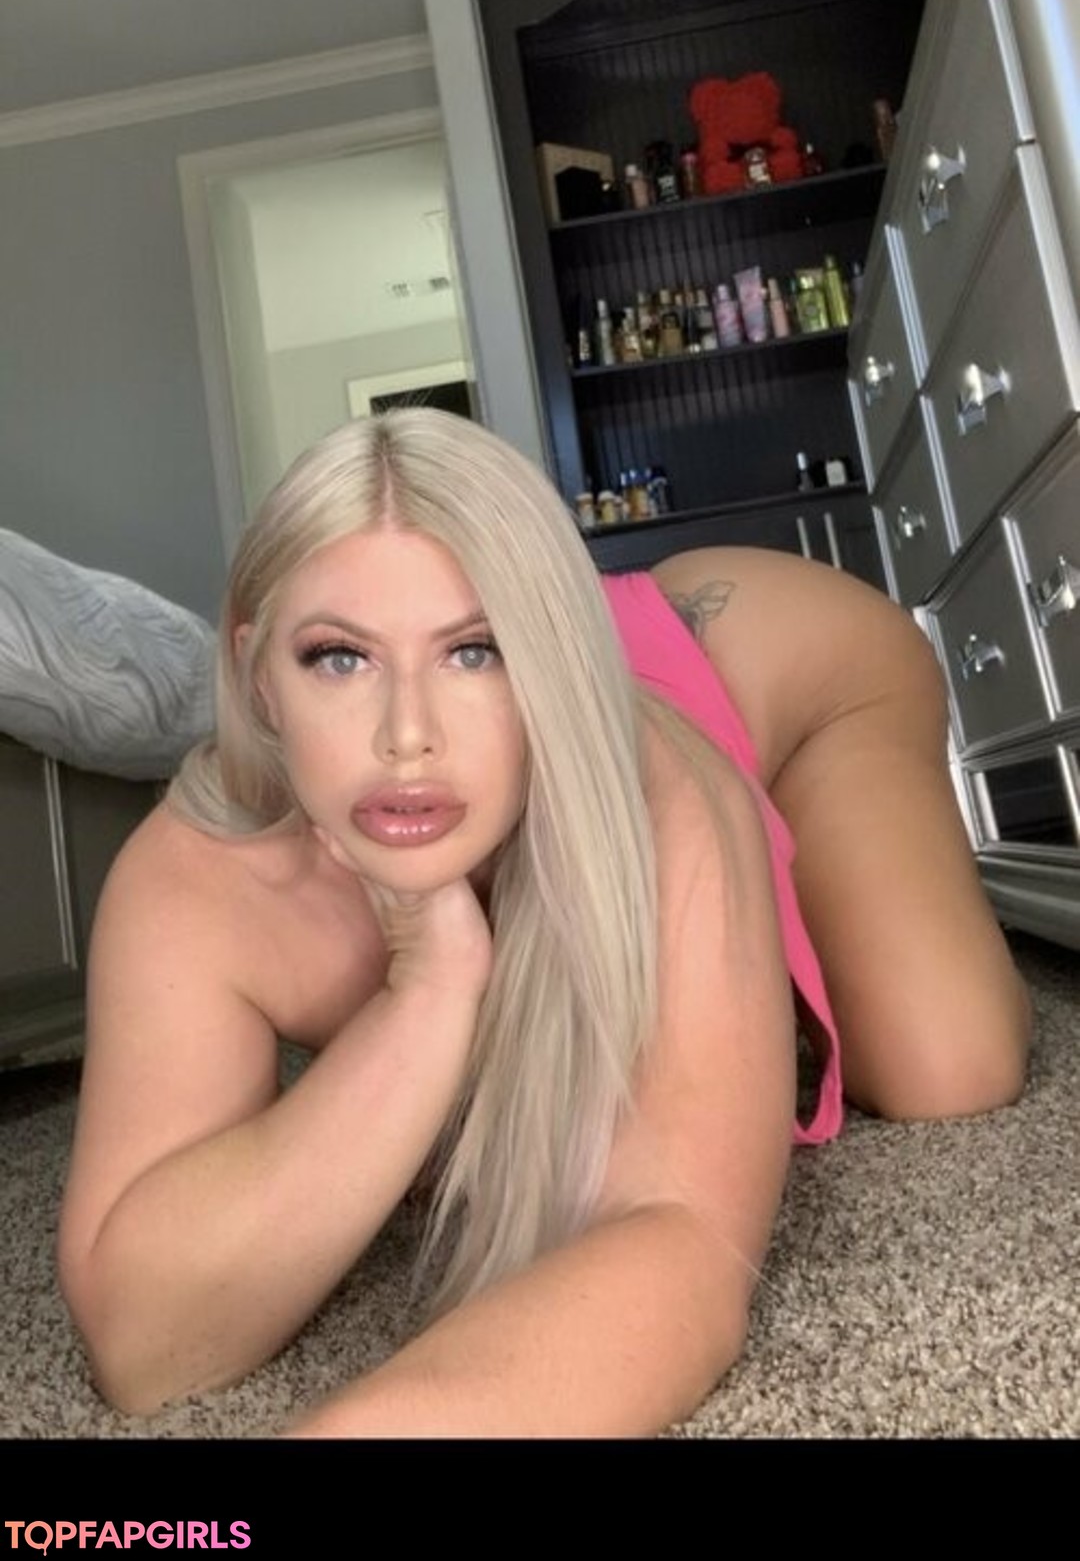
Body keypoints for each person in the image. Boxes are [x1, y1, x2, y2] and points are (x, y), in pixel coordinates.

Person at [57, 408, 1032, 1439]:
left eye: (473, 650)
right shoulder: (202, 871)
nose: (407, 736)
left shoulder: (661, 792)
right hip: (560, 658)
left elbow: (683, 1247)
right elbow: (145, 1343)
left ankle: (821, 901)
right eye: (339, 657)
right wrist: (430, 987)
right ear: (260, 675)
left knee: (945, 1063)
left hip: (779, 667)